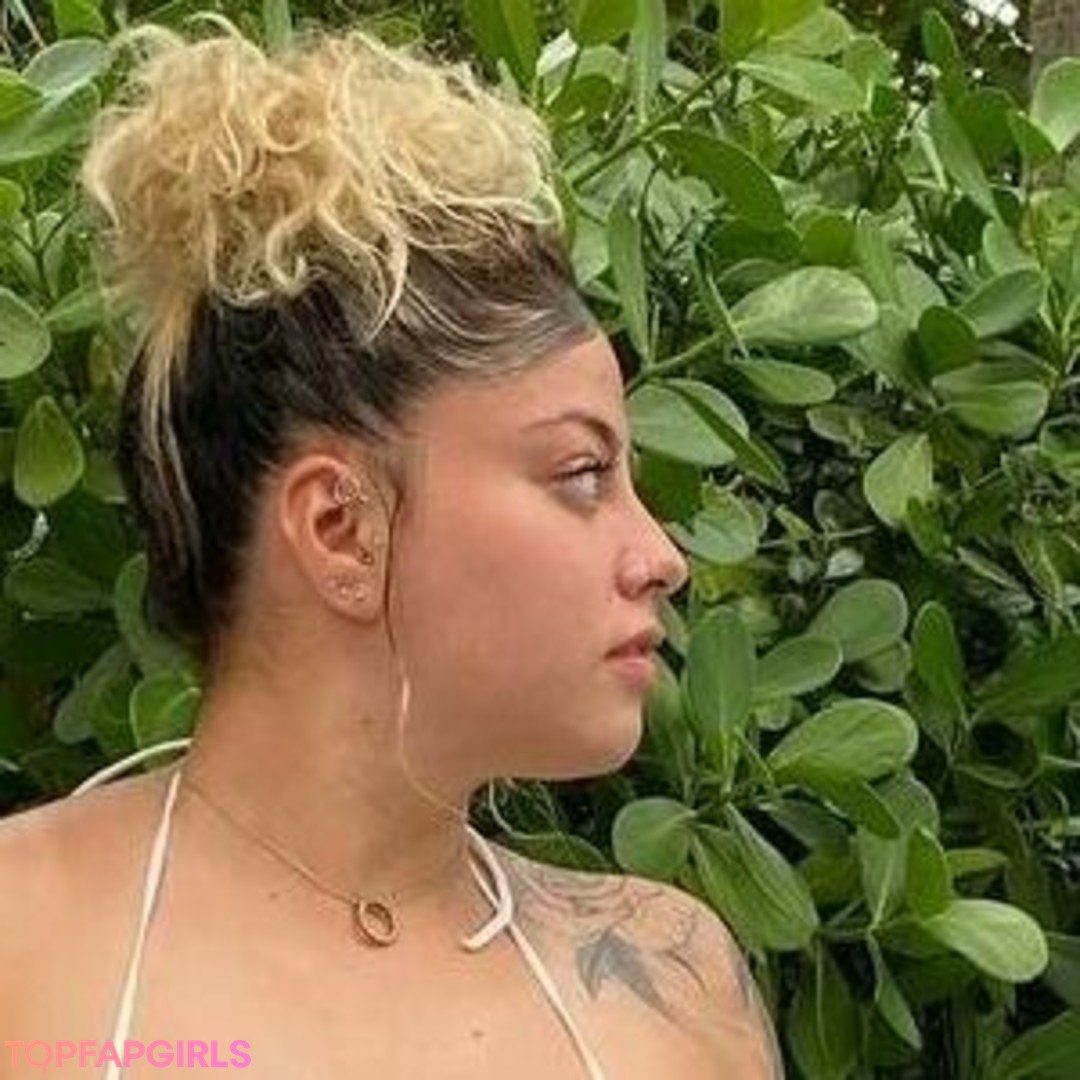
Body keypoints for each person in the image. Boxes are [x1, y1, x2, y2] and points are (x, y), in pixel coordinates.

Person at [0, 16, 782, 1079]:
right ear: (343, 528)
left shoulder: (676, 987)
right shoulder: (26, 958)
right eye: (581, 474)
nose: (660, 555)